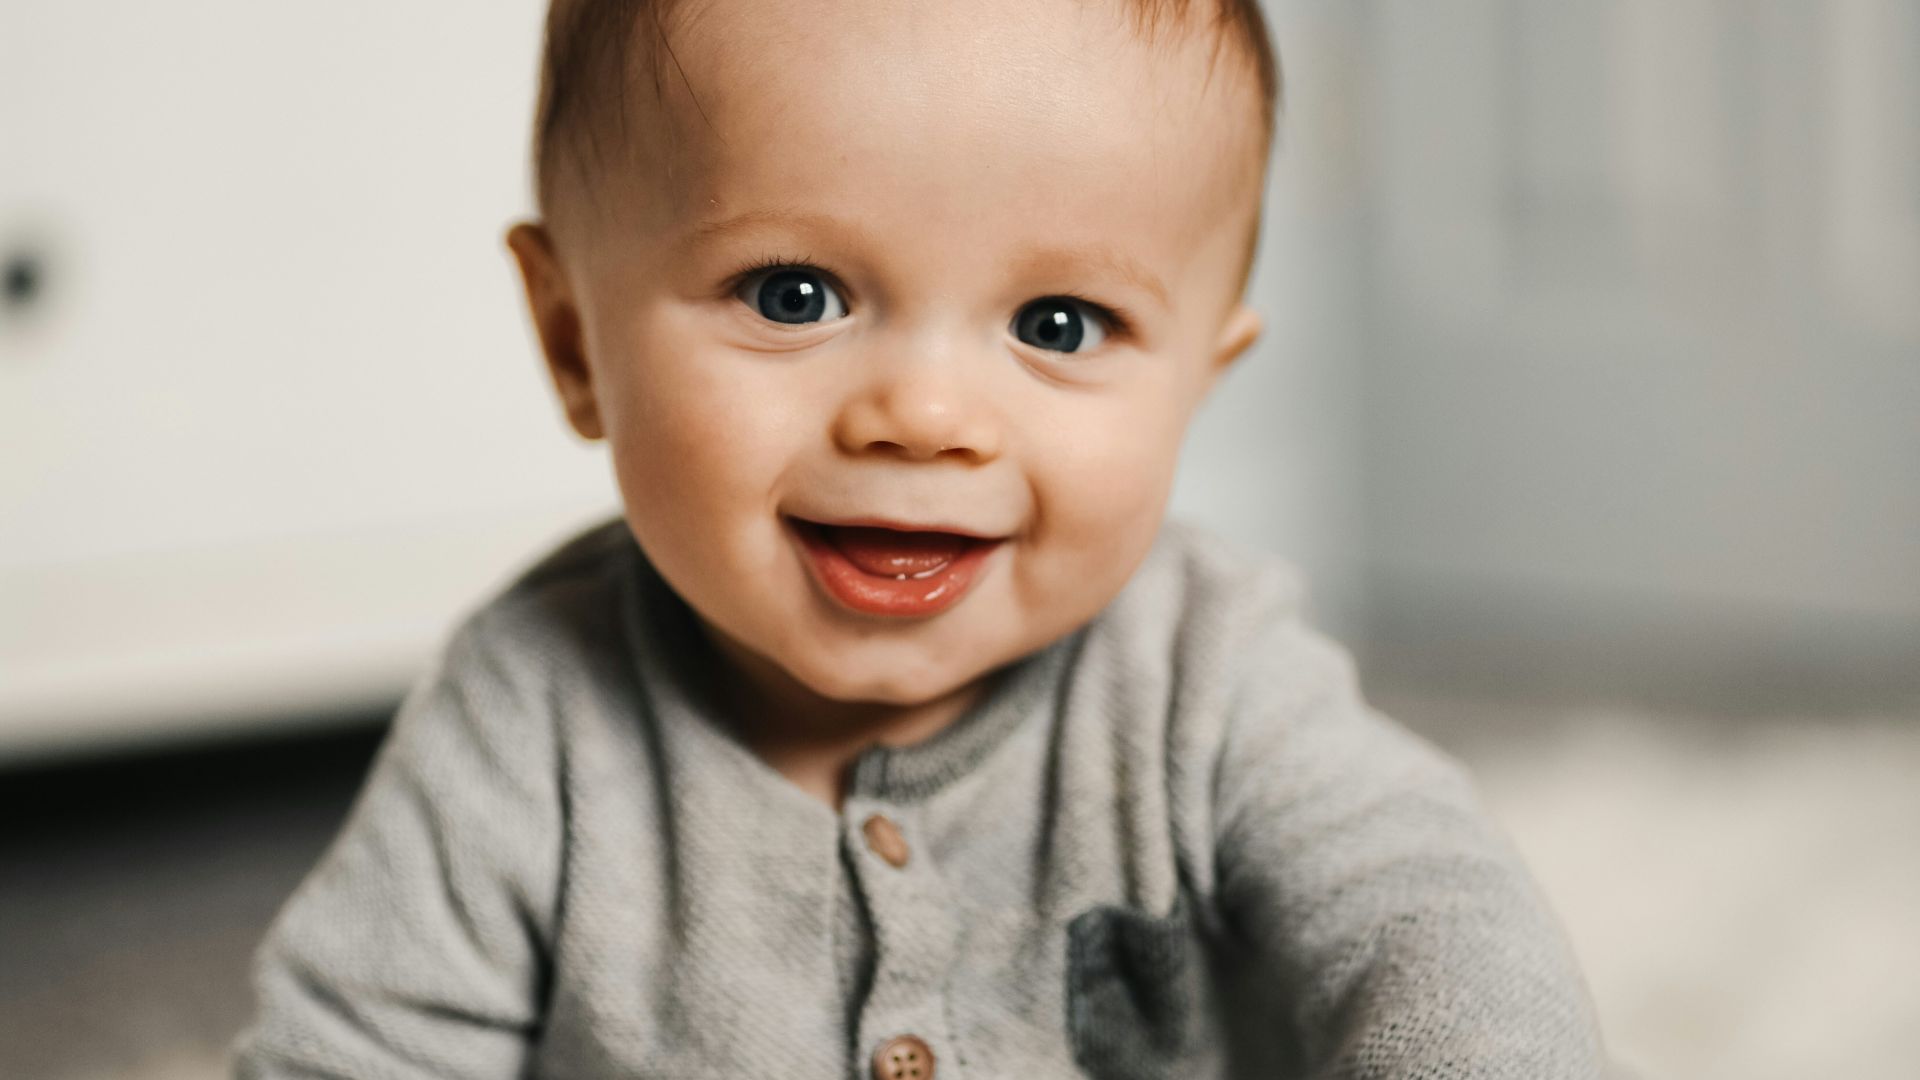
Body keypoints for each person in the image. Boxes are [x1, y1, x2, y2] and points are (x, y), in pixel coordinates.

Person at [231, 0, 1608, 1076]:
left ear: (1199, 378)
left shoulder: (1207, 676)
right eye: (794, 292)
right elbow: (352, 1047)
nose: (928, 416)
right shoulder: (530, 716)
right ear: (571, 338)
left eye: (1059, 325)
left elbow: (1428, 915)